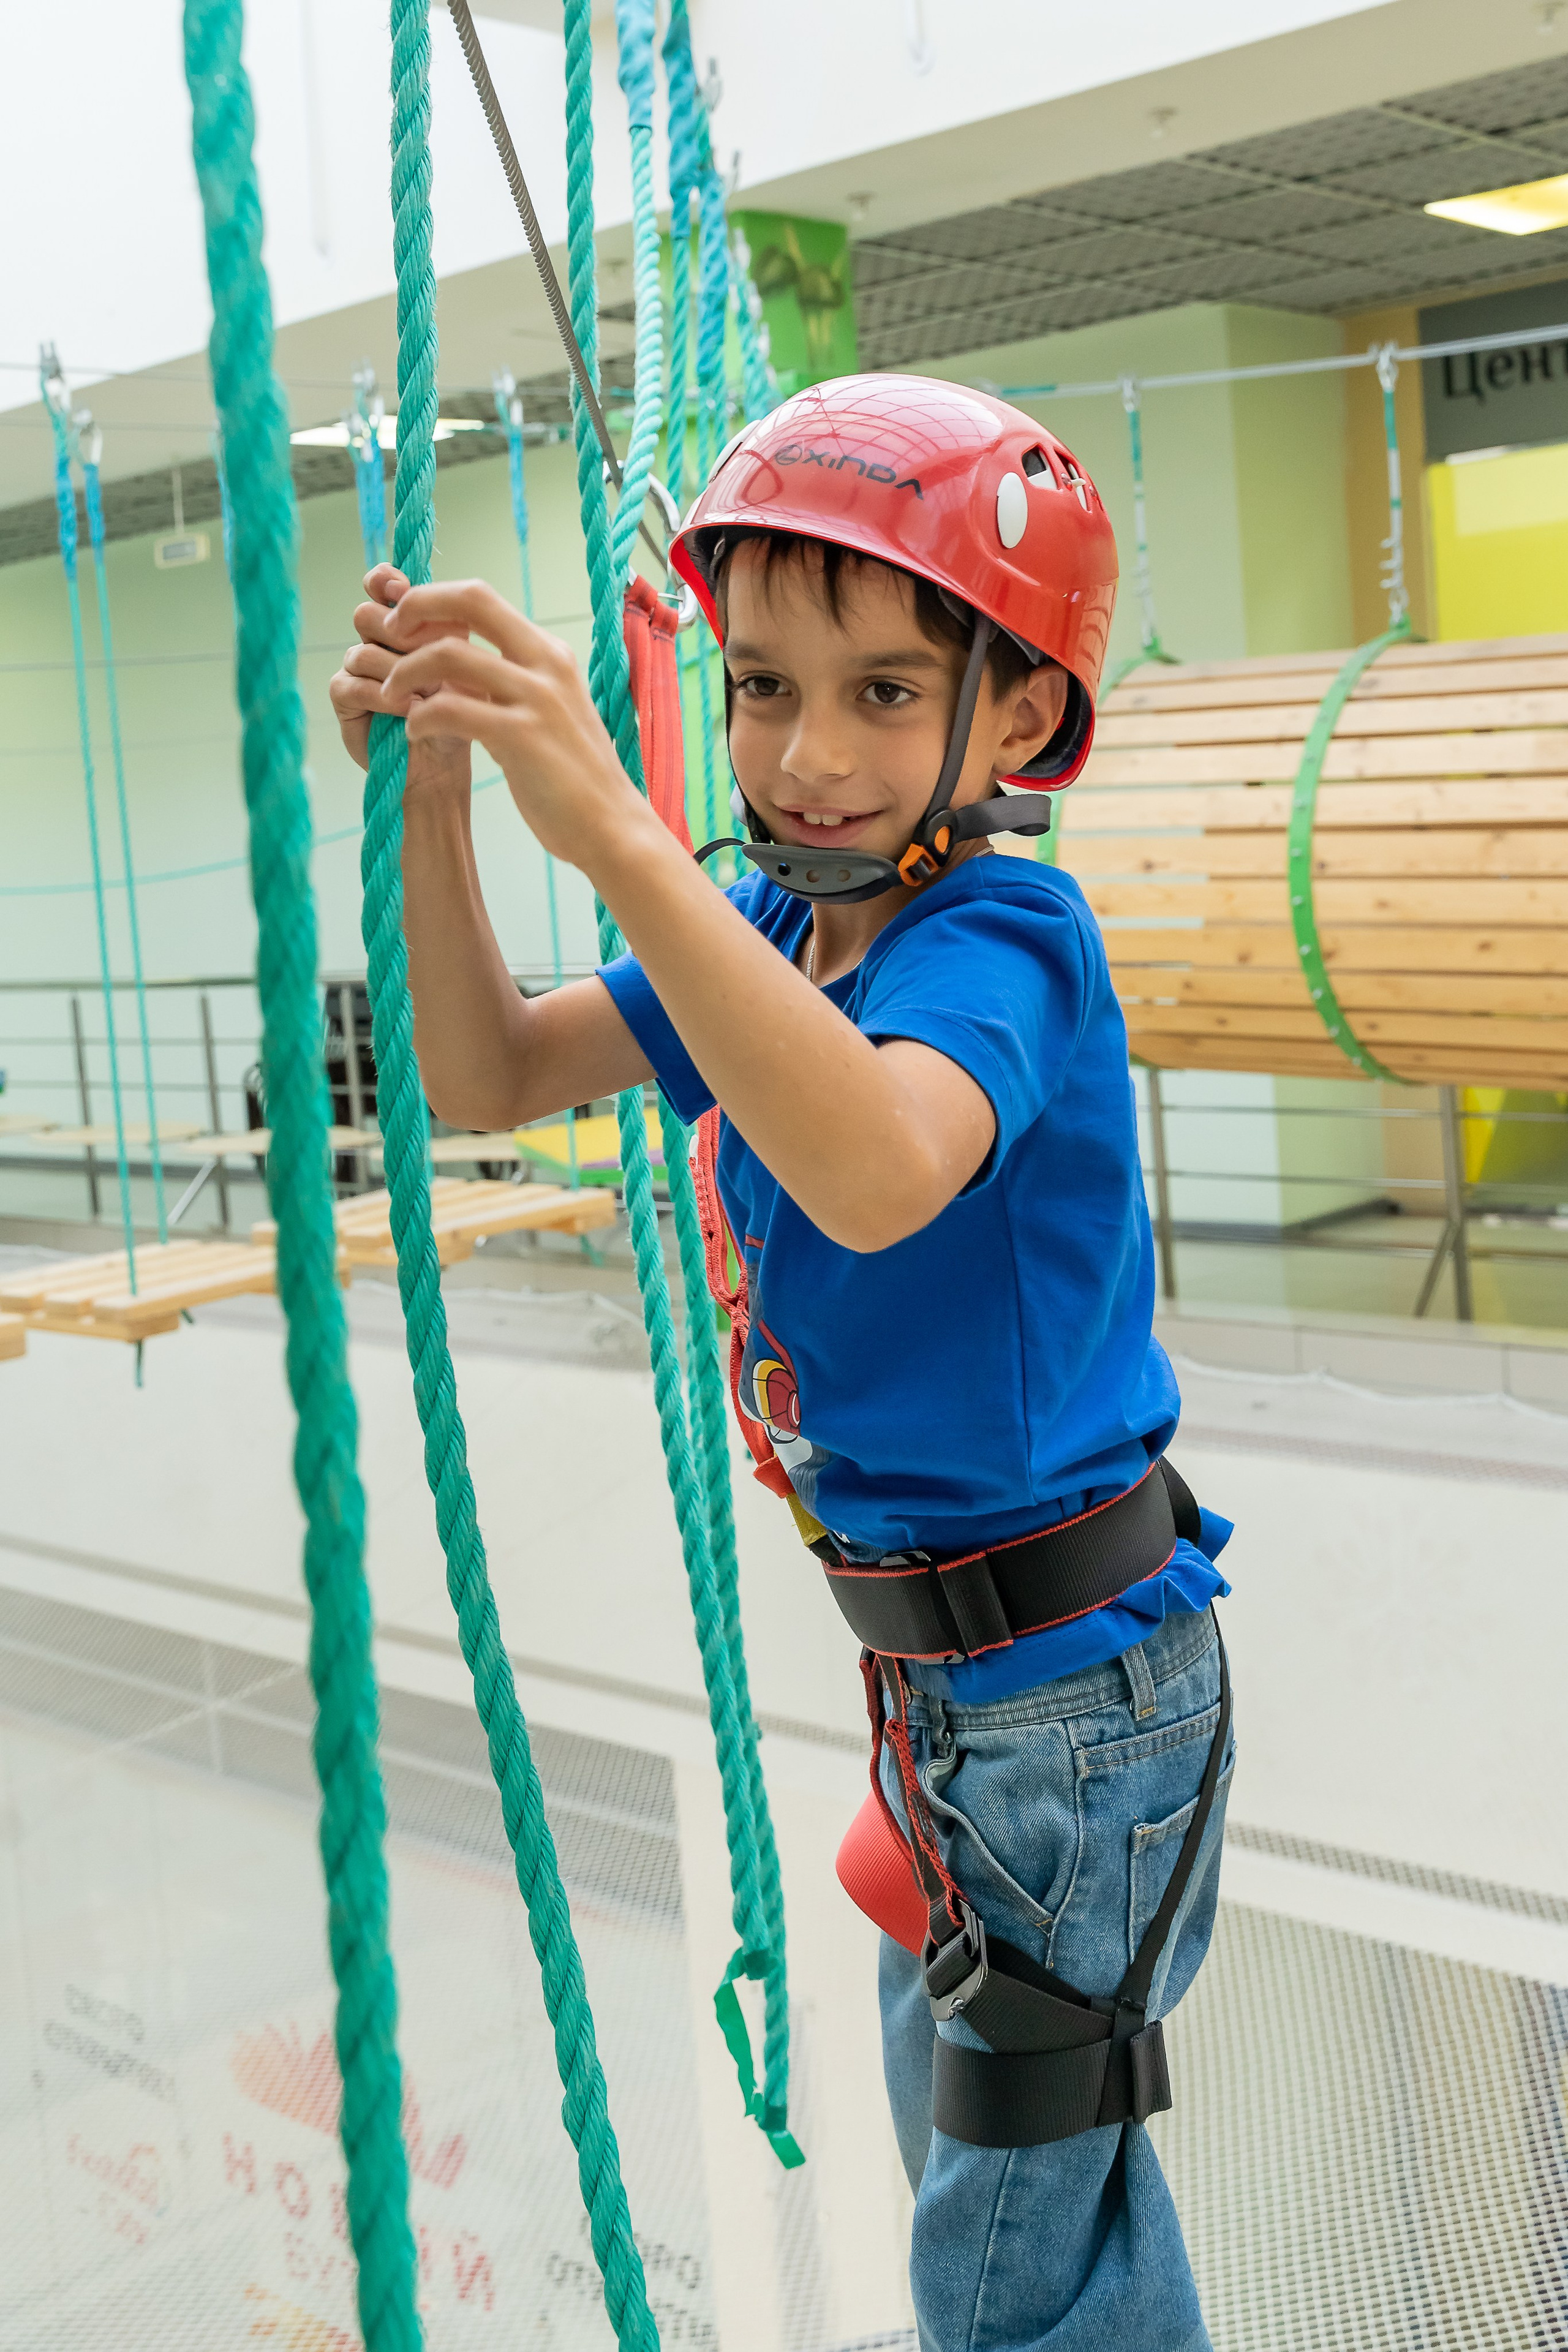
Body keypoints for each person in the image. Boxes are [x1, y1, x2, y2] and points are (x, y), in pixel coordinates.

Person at [330, 374, 1235, 2351]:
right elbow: (491, 1069)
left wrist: (611, 827)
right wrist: (440, 794)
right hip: (960, 1697)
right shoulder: (770, 926)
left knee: (1011, 2270)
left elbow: (881, 1164)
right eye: (759, 687)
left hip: (1063, 1705)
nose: (808, 756)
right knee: (1009, 2197)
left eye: (884, 693)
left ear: (1020, 717)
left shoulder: (1004, 940)